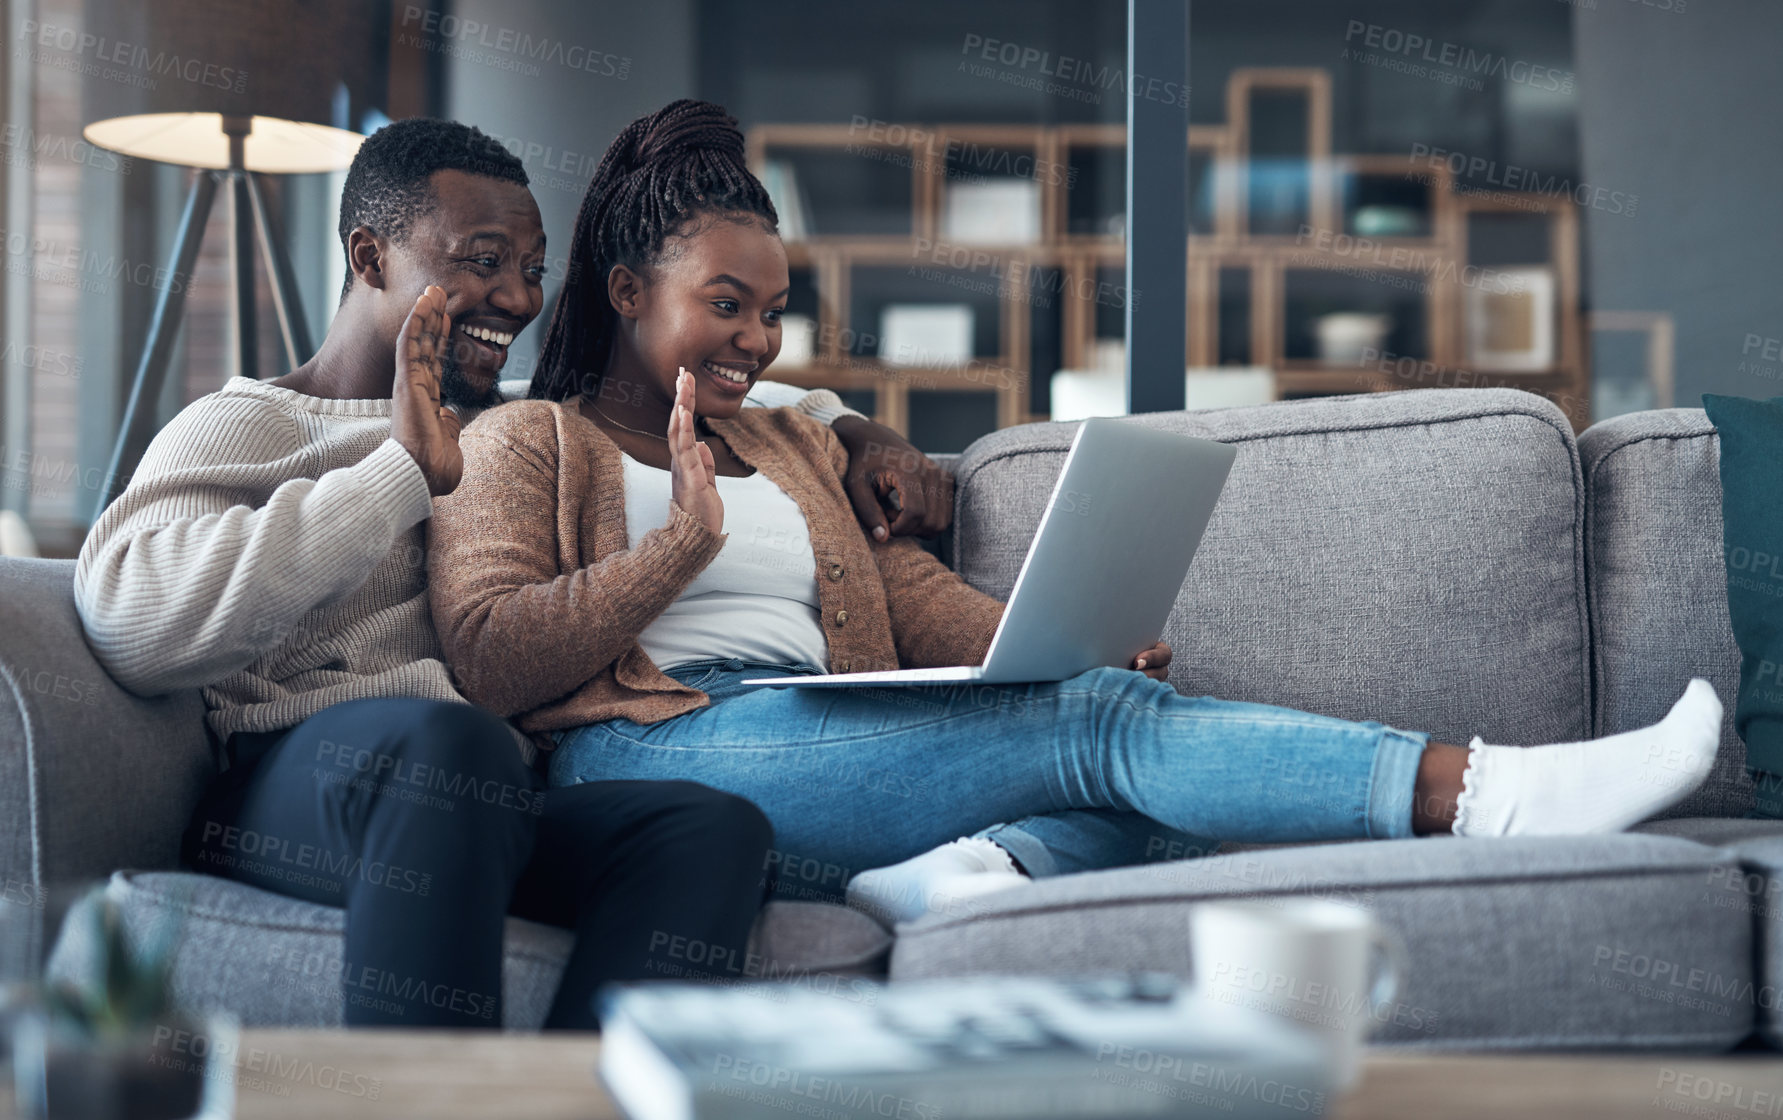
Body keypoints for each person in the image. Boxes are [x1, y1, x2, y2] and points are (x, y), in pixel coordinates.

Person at [425, 100, 1724, 928]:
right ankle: (1481, 793)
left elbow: (898, 601)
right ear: (626, 288)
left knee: (1168, 790)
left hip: (815, 749)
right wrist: (671, 555)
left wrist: (1042, 637)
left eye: (773, 311)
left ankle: (966, 879)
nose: (758, 339)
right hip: (652, 754)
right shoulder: (528, 437)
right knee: (1109, 732)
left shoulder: (789, 438)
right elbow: (487, 658)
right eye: (727, 304)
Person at [73, 116, 948, 1029]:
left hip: (485, 797)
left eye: (531, 269)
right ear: (371, 258)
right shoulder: (258, 423)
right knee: (452, 747)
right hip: (302, 784)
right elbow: (132, 622)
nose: (516, 298)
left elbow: (762, 400)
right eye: (481, 261)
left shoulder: (512, 424)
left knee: (705, 826)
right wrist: (396, 476)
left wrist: (863, 435)